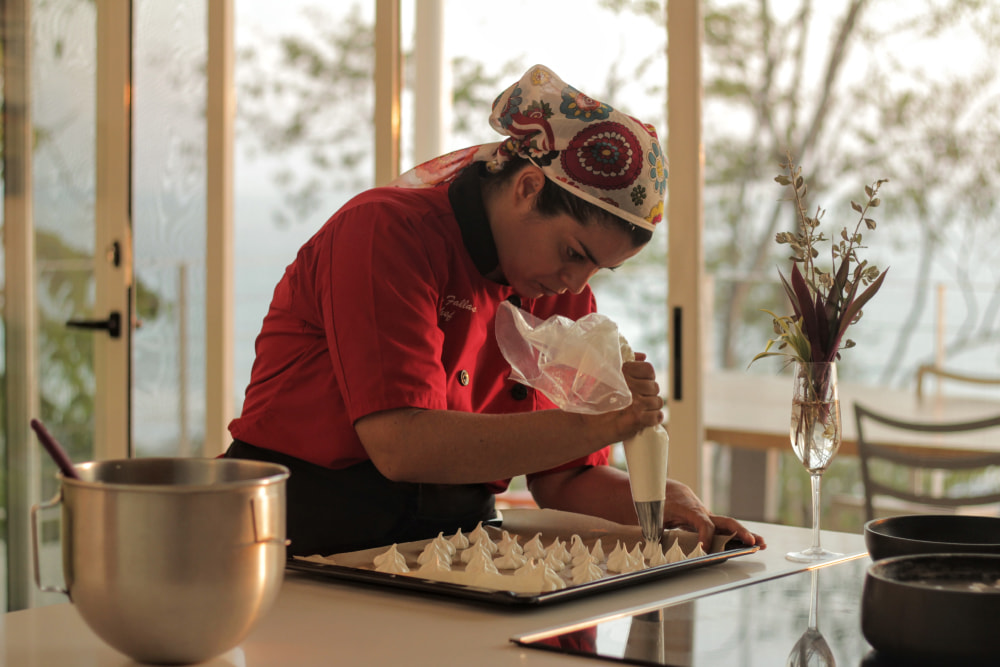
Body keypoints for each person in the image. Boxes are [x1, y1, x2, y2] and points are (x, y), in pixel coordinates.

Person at [226, 64, 764, 556]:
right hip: (307, 528)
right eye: (574, 253)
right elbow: (400, 445)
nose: (576, 282)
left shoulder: (560, 288)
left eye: (599, 269)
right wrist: (602, 423)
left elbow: (563, 476)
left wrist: (660, 498)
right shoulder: (385, 232)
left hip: (454, 539)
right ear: (528, 188)